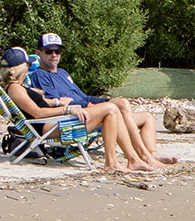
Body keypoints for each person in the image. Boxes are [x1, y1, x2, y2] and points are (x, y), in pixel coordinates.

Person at [27, 32, 175, 165]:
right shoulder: (40, 75)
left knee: (147, 117)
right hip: (78, 118)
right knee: (118, 106)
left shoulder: (62, 73)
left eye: (57, 51)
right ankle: (143, 156)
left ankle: (151, 154)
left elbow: (83, 96)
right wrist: (89, 106)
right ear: (39, 53)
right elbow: (57, 103)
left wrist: (105, 101)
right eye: (49, 51)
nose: (54, 55)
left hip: (89, 111)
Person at [0, 47, 153, 172]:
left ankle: (132, 160)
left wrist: (57, 102)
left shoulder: (19, 87)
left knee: (112, 112)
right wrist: (67, 109)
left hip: (52, 123)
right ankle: (114, 162)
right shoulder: (15, 88)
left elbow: (40, 104)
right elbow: (38, 113)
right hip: (49, 127)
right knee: (111, 109)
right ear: (22, 68)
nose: (29, 68)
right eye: (28, 65)